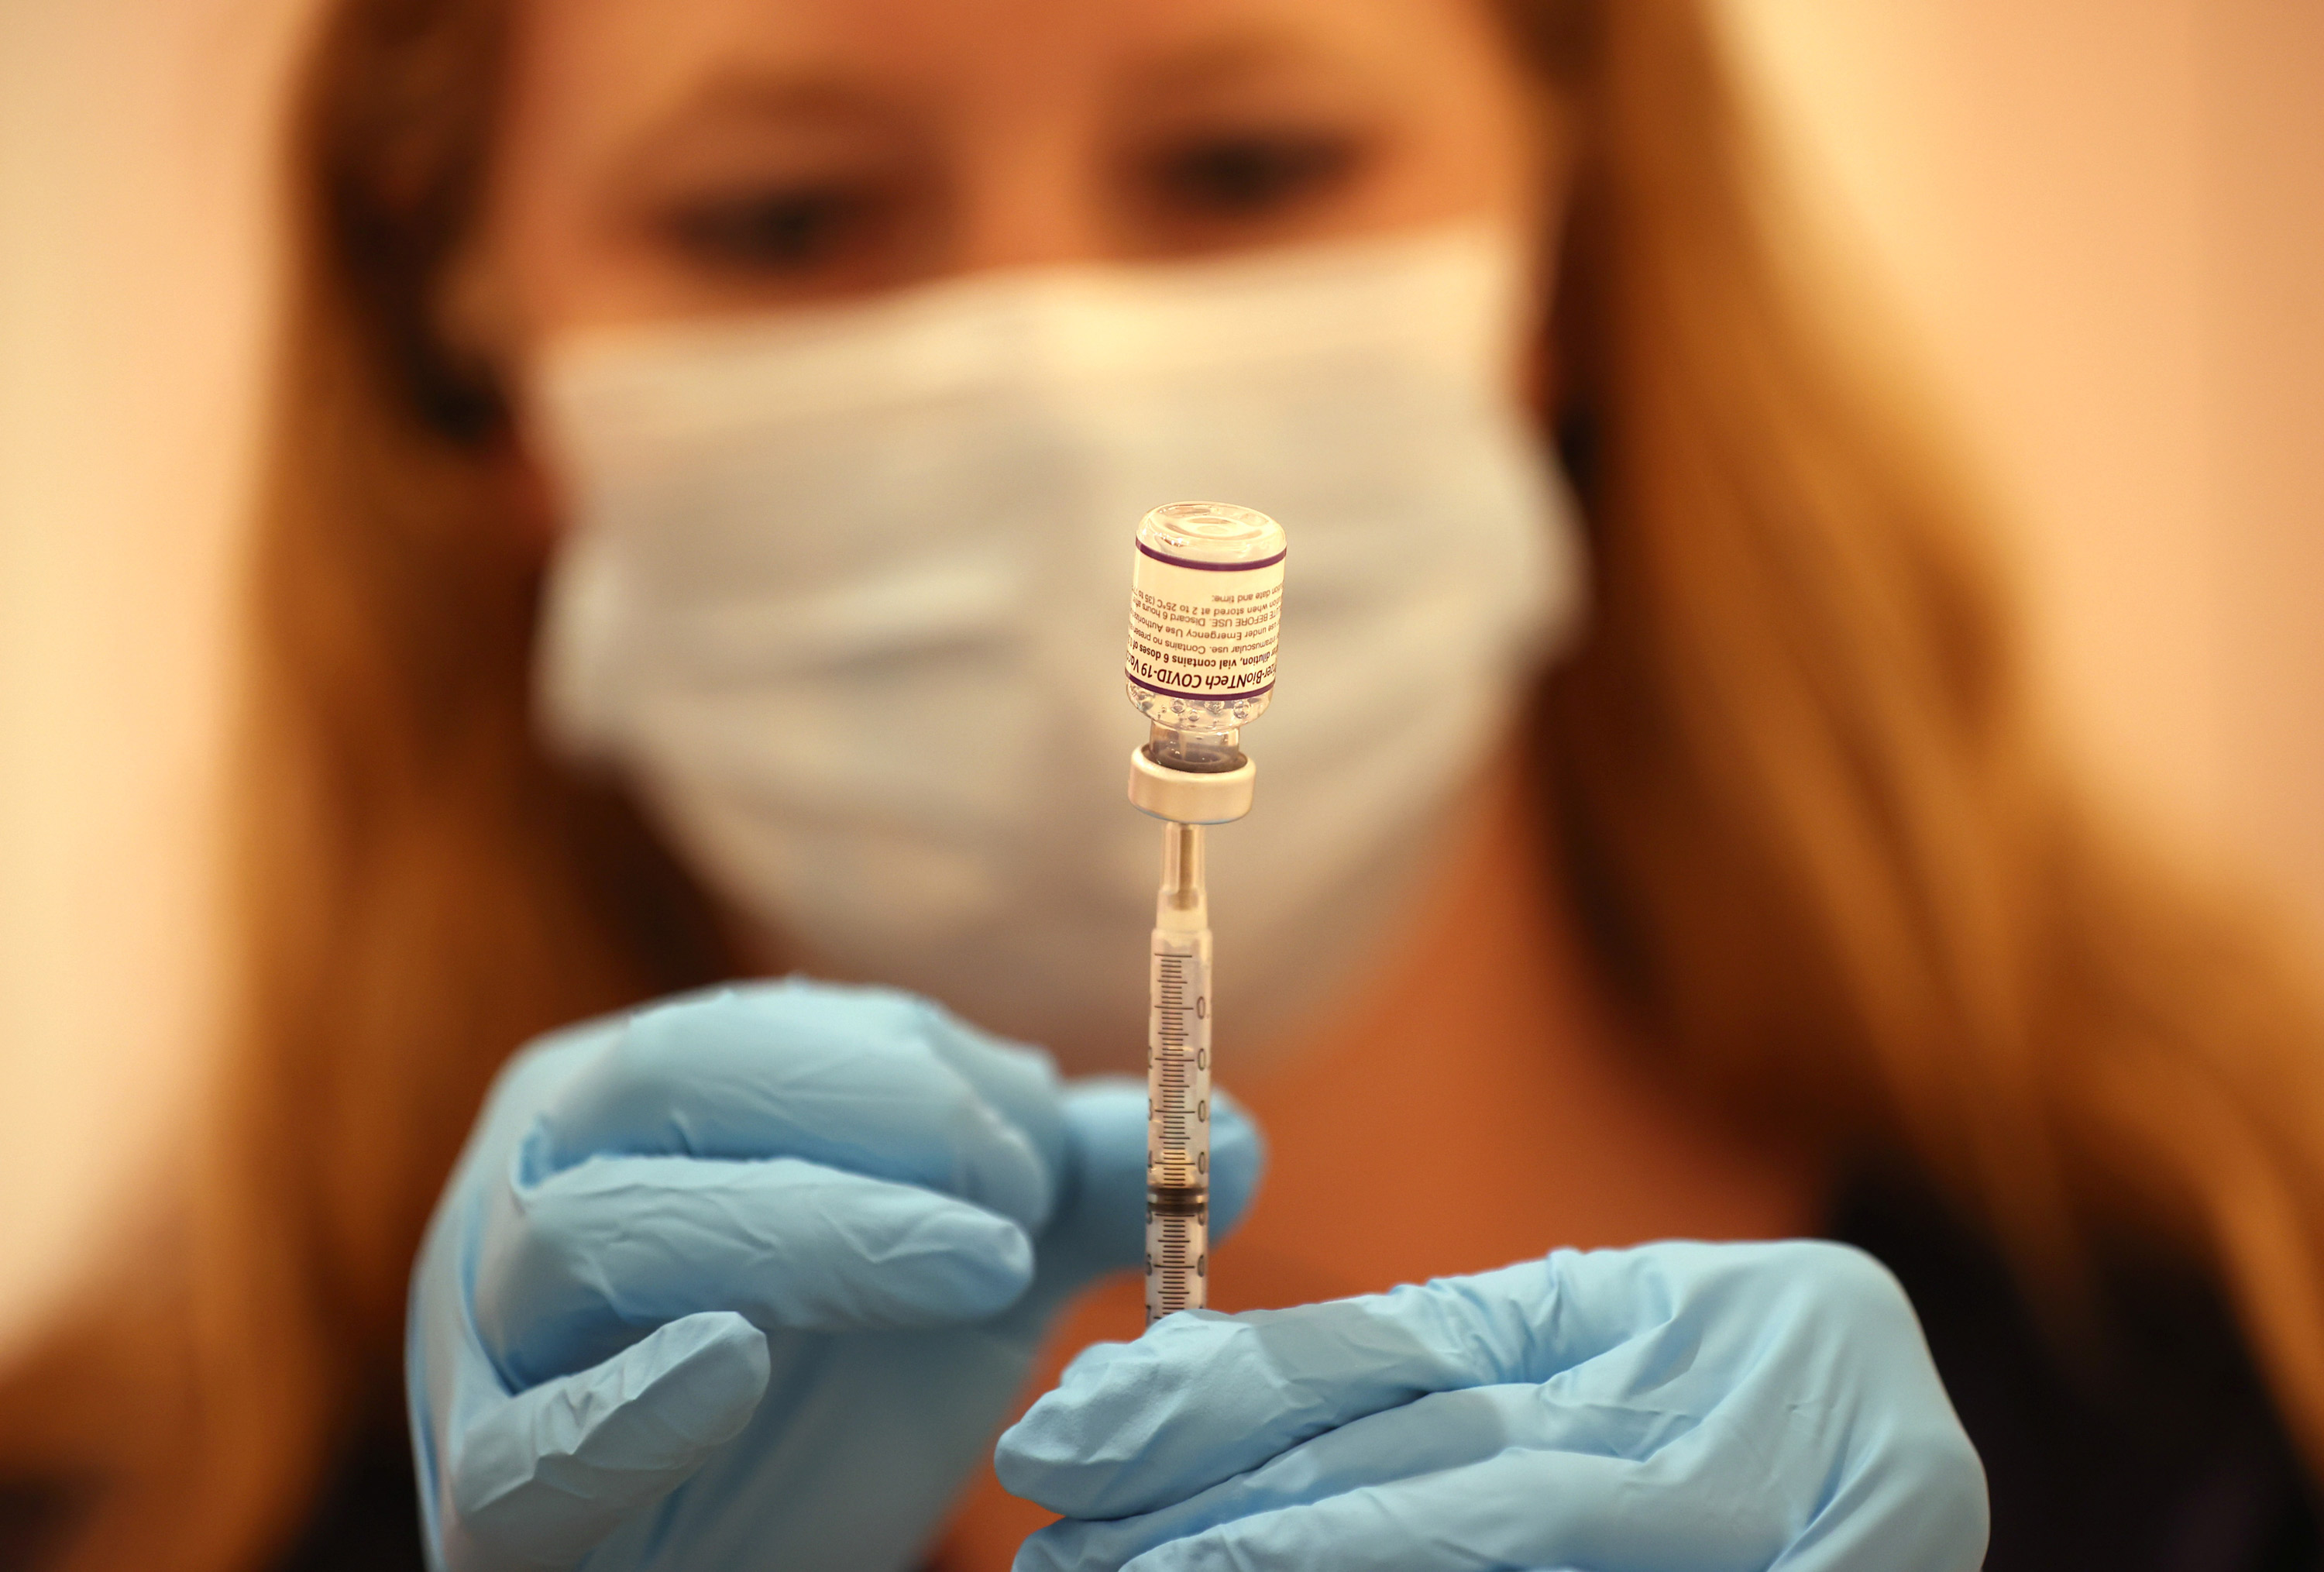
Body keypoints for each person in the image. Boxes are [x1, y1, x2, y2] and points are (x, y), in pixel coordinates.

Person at [2, 0, 2320, 1567]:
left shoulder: (2249, 1342)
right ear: (471, 369)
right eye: (783, 219)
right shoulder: (116, 1509)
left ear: (1577, 254)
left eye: (1244, 161)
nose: (1059, 374)